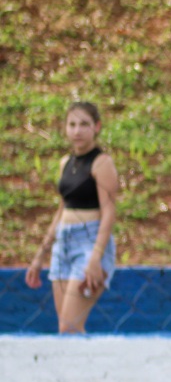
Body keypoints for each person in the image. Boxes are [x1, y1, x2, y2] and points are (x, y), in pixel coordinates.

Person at [25, 102, 119, 334]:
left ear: (96, 127)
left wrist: (96, 257)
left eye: (84, 125)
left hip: (89, 242)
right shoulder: (65, 163)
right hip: (63, 244)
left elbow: (109, 211)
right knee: (66, 330)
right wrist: (40, 255)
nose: (77, 131)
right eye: (72, 125)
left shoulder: (102, 162)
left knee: (70, 326)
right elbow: (61, 209)